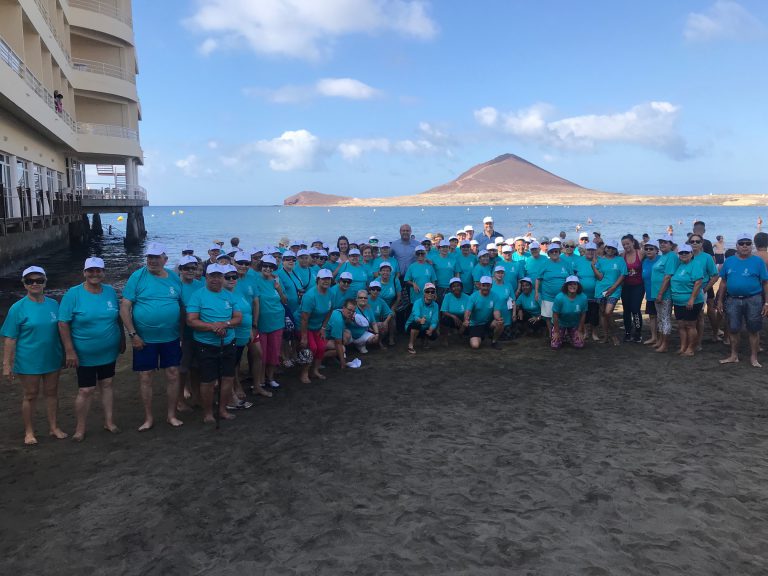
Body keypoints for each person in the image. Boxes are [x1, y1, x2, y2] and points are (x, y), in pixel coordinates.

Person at [58, 257, 124, 441]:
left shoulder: (110, 291)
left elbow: (117, 317)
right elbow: (63, 323)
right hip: (84, 353)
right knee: (86, 390)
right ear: (84, 272)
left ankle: (109, 422)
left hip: (108, 350)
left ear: (103, 272)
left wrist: (122, 341)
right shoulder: (73, 294)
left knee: (107, 384)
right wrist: (69, 351)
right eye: (91, 271)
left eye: (98, 271)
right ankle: (80, 428)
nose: (95, 274)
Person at [120, 243, 184, 430]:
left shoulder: (173, 277)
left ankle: (171, 415)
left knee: (172, 374)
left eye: (157, 257)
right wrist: (133, 334)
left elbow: (181, 306)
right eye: (150, 257)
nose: (153, 261)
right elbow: (125, 307)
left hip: (170, 337)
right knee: (145, 376)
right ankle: (148, 418)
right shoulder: (137, 277)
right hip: (144, 339)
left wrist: (181, 334)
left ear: (165, 259)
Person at [1, 266, 67, 445]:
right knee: (30, 394)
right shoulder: (18, 308)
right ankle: (29, 432)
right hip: (29, 359)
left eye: (39, 280)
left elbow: (62, 330)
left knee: (52, 392)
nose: (35, 284)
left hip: (52, 356)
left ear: (45, 282)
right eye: (30, 281)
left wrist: (67, 352)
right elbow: (10, 338)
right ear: (24, 284)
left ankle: (53, 427)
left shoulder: (54, 304)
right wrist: (6, 365)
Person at [717, 233, 768, 367]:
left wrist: (766, 302)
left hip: (754, 299)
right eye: (741, 243)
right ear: (736, 246)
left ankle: (754, 357)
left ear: (752, 245)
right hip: (733, 300)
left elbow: (765, 283)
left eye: (747, 243)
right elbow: (723, 282)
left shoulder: (758, 262)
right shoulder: (729, 261)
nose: (745, 246)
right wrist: (720, 300)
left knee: (753, 329)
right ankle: (734, 355)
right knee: (733, 329)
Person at [252, 255, 285, 390]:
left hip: (277, 320)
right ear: (261, 266)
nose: (268, 269)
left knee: (274, 351)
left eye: (271, 267)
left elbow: (284, 300)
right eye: (265, 266)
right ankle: (260, 380)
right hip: (261, 322)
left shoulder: (276, 279)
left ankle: (270, 378)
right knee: (262, 353)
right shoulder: (254, 279)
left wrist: (278, 289)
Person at [299, 269, 334, 383]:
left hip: (318, 326)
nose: (326, 281)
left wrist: (323, 328)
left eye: (328, 279)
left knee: (321, 347)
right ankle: (304, 373)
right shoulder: (310, 296)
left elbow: (330, 311)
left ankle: (315, 371)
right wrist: (304, 336)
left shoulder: (331, 294)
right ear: (318, 280)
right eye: (323, 279)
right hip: (305, 325)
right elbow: (304, 318)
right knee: (311, 348)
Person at [669, 245, 704, 357]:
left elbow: (698, 283)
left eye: (686, 252)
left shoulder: (695, 265)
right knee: (681, 325)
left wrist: (692, 299)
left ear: (691, 254)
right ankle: (683, 347)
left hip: (691, 301)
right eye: (681, 253)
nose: (683, 254)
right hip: (678, 301)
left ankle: (690, 348)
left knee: (690, 325)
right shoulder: (679, 265)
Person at [178, 255, 203, 407]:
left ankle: (197, 396)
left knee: (196, 367)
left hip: (199, 333)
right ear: (180, 269)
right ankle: (179, 399)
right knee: (182, 369)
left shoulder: (200, 285)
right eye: (186, 268)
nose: (190, 271)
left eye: (193, 268)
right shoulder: (176, 286)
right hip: (184, 333)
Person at [593, 240, 627, 346]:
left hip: (614, 290)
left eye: (613, 248)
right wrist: (593, 267)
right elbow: (599, 277)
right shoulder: (600, 260)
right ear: (605, 248)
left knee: (608, 312)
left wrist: (613, 288)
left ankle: (614, 335)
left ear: (615, 250)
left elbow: (623, 275)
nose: (610, 250)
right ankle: (606, 336)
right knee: (603, 313)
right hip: (600, 290)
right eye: (608, 247)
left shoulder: (620, 260)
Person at [688, 233, 720, 346]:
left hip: (701, 290)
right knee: (688, 318)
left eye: (697, 241)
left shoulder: (706, 257)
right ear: (689, 243)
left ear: (702, 243)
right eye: (692, 241)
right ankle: (690, 340)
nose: (695, 243)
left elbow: (715, 276)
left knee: (699, 316)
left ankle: (698, 343)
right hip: (685, 291)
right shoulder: (685, 255)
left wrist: (705, 289)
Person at [535, 243, 573, 335]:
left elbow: (571, 278)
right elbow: (538, 278)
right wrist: (536, 292)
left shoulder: (566, 263)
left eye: (556, 251)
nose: (554, 253)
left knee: (563, 315)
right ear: (548, 253)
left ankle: (564, 334)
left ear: (559, 252)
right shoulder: (544, 264)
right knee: (548, 317)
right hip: (547, 296)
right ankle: (551, 334)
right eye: (552, 251)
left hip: (563, 296)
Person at [653, 236, 679, 353]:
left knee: (665, 318)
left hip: (665, 293)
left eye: (665, 242)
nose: (662, 244)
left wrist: (660, 293)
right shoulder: (662, 256)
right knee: (660, 318)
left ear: (671, 245)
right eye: (661, 242)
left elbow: (668, 276)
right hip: (657, 292)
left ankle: (665, 344)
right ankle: (660, 341)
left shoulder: (672, 256)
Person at [463, 276, 503, 349]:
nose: (485, 288)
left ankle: (494, 342)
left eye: (488, 285)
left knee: (499, 323)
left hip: (488, 323)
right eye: (483, 285)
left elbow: (496, 311)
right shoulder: (473, 296)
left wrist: (498, 318)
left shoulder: (495, 296)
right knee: (475, 346)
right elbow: (468, 311)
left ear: (491, 286)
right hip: (475, 324)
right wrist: (466, 319)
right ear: (479, 285)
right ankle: (478, 337)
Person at [573, 241, 600, 341]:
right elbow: (574, 274)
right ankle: (585, 332)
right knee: (583, 314)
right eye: (589, 250)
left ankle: (594, 333)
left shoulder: (599, 261)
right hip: (582, 294)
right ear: (585, 250)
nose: (591, 252)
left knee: (594, 314)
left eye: (593, 250)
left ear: (595, 251)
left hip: (595, 294)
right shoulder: (578, 261)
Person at [551, 276, 588, 349]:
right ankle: (562, 335)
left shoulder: (583, 297)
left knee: (579, 345)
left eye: (575, 284)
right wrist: (556, 331)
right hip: (560, 323)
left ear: (578, 286)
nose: (572, 286)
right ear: (566, 286)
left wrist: (580, 330)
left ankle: (570, 336)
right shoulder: (559, 297)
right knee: (555, 345)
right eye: (570, 284)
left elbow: (583, 314)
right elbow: (555, 315)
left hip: (574, 324)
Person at [621, 234, 645, 342]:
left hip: (638, 286)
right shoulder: (622, 256)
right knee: (626, 310)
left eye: (627, 243)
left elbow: (653, 256)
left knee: (635, 309)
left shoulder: (640, 253)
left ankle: (638, 332)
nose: (626, 246)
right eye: (624, 244)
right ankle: (627, 332)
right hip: (626, 286)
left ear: (633, 242)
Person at [405, 282, 440, 354]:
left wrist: (430, 330)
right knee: (417, 324)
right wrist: (420, 320)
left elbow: (434, 320)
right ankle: (410, 345)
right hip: (412, 326)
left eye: (432, 291)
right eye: (427, 291)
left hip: (425, 327)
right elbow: (415, 316)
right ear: (424, 293)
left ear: (434, 294)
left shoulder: (435, 305)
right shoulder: (417, 302)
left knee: (434, 334)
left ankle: (424, 340)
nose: (430, 293)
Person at [640, 241, 660, 346]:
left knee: (661, 317)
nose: (648, 251)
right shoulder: (645, 262)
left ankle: (661, 339)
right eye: (646, 249)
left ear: (657, 250)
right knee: (652, 316)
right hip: (649, 294)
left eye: (651, 249)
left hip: (660, 293)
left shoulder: (661, 260)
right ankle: (654, 337)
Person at [368, 281, 394, 348]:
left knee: (384, 325)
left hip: (375, 324)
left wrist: (386, 322)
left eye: (378, 289)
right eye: (373, 289)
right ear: (370, 290)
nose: (375, 291)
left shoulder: (380, 301)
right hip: (365, 323)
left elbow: (390, 313)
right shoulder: (365, 298)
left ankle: (379, 341)